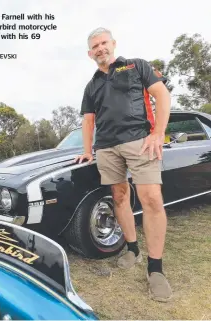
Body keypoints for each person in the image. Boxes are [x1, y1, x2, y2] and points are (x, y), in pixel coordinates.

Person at [75, 27, 172, 302]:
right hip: (106, 147)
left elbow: (162, 96)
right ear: (89, 53)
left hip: (140, 141)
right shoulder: (91, 84)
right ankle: (132, 249)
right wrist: (86, 151)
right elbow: (88, 120)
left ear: (113, 44)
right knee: (119, 197)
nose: (100, 49)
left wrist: (157, 133)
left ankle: (156, 270)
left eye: (103, 43)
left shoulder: (136, 66)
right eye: (94, 46)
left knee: (151, 199)